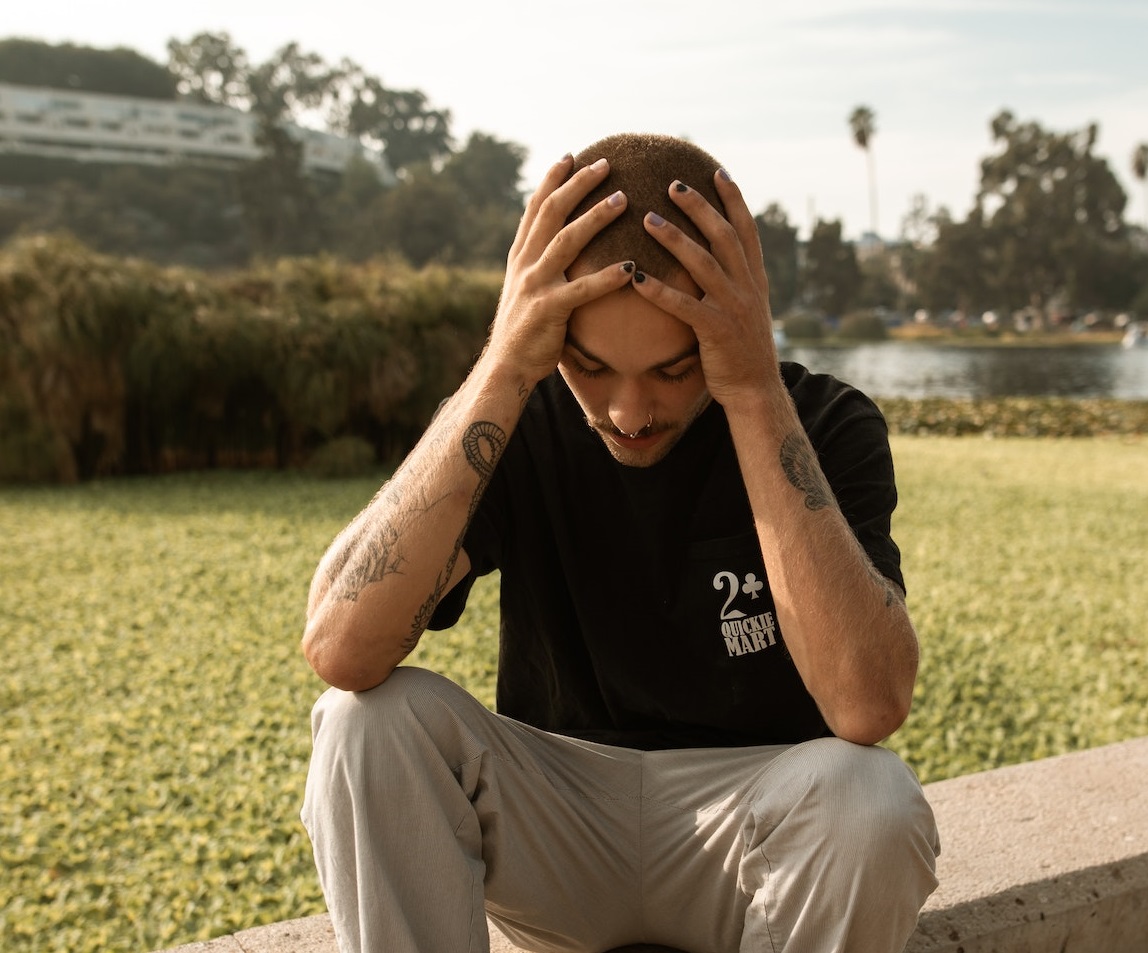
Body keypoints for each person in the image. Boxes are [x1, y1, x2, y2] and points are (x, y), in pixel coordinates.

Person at [300, 132, 939, 953]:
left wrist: (750, 389)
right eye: (590, 366)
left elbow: (868, 704)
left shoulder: (823, 423)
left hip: (752, 829)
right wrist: (502, 366)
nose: (628, 414)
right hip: (556, 827)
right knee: (365, 723)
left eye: (673, 370)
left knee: (871, 798)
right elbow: (341, 647)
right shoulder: (516, 422)